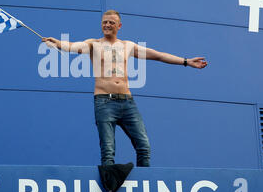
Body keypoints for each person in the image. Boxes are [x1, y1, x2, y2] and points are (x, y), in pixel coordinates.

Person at [42, 10, 207, 167]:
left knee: (143, 147)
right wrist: (57, 42)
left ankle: (144, 183)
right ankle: (110, 187)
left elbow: (158, 55)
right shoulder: (93, 44)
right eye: (104, 22)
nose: (107, 25)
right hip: (104, 102)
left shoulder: (127, 46)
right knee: (108, 152)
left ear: (119, 26)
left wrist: (186, 61)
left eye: (111, 22)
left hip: (127, 103)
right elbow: (73, 46)